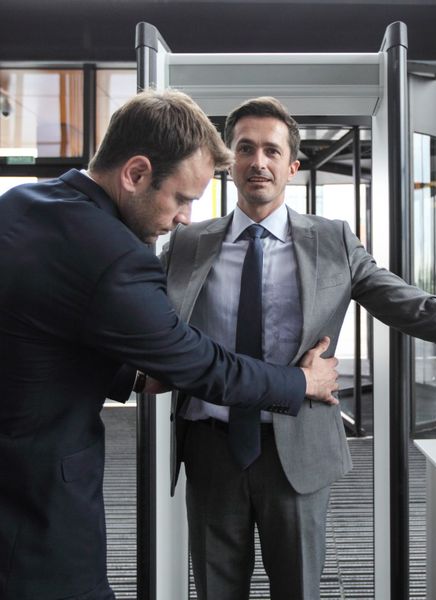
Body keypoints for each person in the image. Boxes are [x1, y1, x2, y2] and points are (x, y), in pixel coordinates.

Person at [162, 95, 436, 600]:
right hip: (212, 446)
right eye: (245, 149)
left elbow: (419, 308)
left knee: (298, 589)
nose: (258, 162)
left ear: (293, 165)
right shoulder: (187, 244)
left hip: (298, 447)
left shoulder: (332, 241)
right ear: (229, 161)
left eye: (271, 151)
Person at [0, 90, 340, 600]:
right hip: (36, 500)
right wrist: (302, 381)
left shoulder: (21, 203)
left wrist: (134, 375)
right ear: (136, 174)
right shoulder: (117, 257)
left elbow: (44, 323)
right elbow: (203, 365)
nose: (184, 218)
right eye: (182, 198)